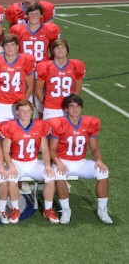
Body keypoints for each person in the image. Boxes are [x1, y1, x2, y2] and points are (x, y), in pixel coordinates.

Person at [48, 94, 112, 224]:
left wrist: (99, 160)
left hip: (81, 161)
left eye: (77, 106)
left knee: (103, 172)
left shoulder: (89, 123)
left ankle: (102, 209)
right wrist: (58, 162)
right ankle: (66, 210)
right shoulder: (59, 123)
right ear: (66, 109)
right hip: (63, 161)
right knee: (59, 175)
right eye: (71, 106)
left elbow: (95, 148)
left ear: (81, 108)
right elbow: (52, 149)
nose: (74, 109)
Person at [0, 100, 58, 224]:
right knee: (11, 178)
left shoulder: (39, 125)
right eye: (22, 110)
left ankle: (48, 209)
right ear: (17, 112)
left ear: (32, 111)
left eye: (28, 110)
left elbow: (45, 148)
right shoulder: (10, 126)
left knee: (50, 176)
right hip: (16, 163)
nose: (25, 113)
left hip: (34, 162)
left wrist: (47, 165)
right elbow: (5, 151)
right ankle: (15, 209)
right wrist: (10, 166)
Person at [0, 34, 35, 123]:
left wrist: (23, 102)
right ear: (3, 47)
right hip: (1, 105)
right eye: (7, 45)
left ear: (17, 47)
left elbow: (30, 87)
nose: (10, 48)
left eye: (12, 45)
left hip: (18, 103)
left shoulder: (26, 60)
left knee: (18, 134)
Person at [35, 39, 85, 120]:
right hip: (51, 109)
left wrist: (71, 105)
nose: (60, 50)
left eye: (63, 48)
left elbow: (78, 90)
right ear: (53, 51)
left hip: (68, 109)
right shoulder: (44, 66)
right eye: (57, 48)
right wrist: (45, 103)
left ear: (67, 50)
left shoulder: (76, 65)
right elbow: (37, 90)